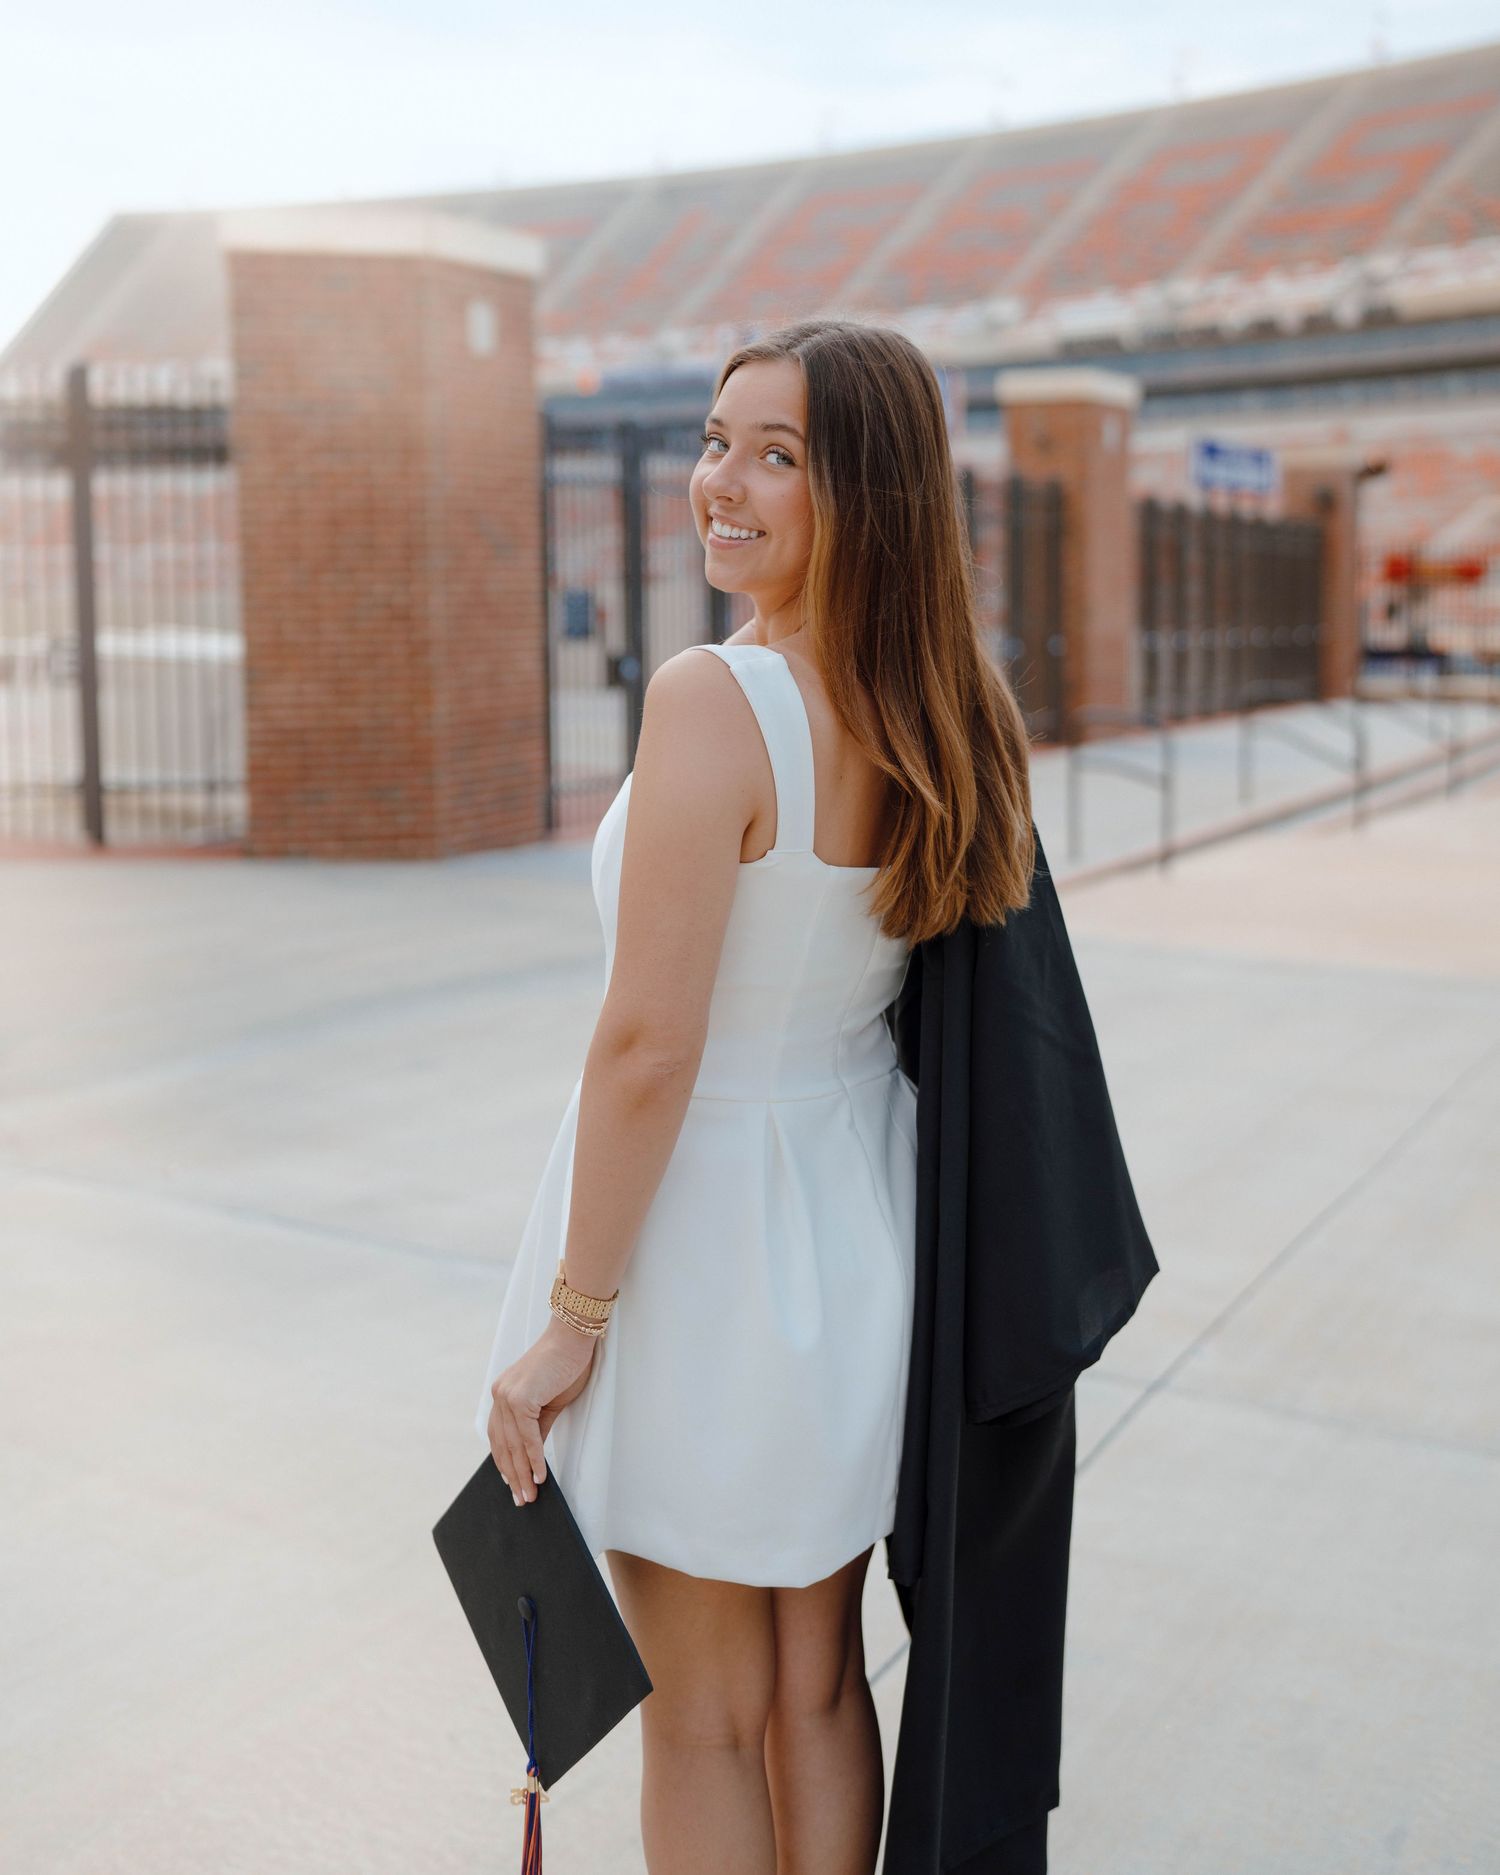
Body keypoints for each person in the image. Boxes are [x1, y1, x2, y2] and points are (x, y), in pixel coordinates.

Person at [475, 317, 1037, 1875]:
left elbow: (649, 1046)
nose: (724, 483)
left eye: (778, 455)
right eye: (719, 441)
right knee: (814, 1681)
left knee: (704, 1715)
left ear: (873, 493)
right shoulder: (946, 712)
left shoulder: (718, 698)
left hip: (707, 1246)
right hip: (858, 1226)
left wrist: (573, 1318)